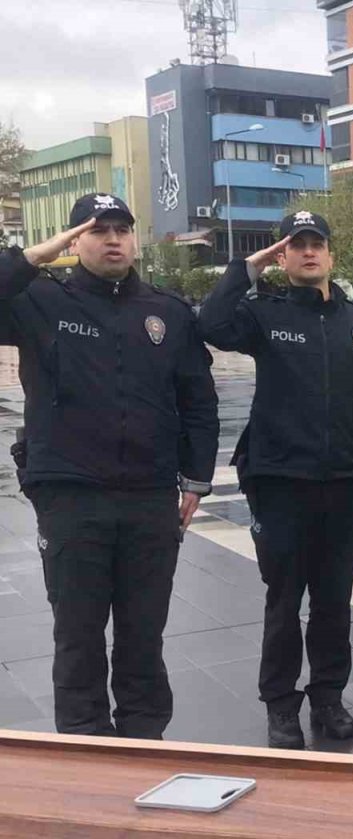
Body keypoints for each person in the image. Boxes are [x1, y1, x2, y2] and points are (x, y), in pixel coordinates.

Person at [0, 194, 218, 737]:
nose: (114, 238)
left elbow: (197, 398)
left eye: (122, 228)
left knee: (145, 633)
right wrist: (32, 257)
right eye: (99, 229)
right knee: (78, 633)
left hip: (149, 497)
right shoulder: (40, 301)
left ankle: (144, 741)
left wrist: (197, 477)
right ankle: (85, 747)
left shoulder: (167, 310)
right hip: (71, 496)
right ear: (75, 241)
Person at [198, 211, 353, 749]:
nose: (309, 253)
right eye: (297, 245)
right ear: (284, 257)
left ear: (330, 255)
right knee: (284, 599)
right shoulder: (263, 313)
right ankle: (280, 704)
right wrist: (248, 267)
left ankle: (328, 697)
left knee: (334, 600)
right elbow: (210, 324)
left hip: (347, 482)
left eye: (317, 244)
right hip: (281, 480)